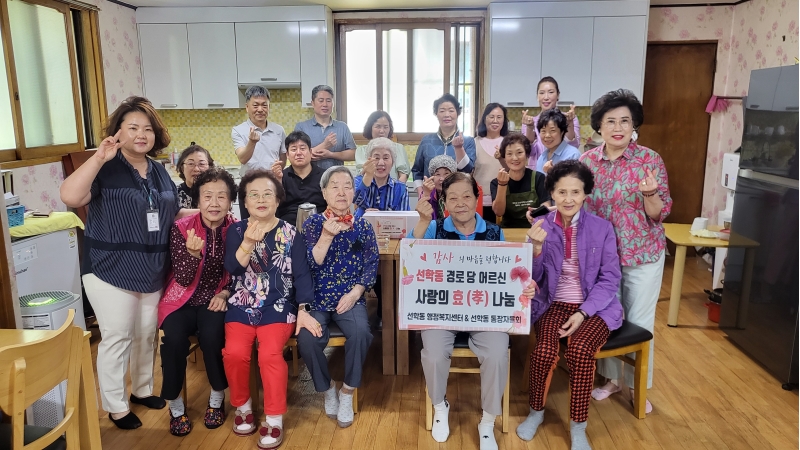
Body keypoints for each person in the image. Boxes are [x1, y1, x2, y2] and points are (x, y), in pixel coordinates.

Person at [60, 96, 184, 429]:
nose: (141, 135)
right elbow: (71, 197)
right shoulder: (105, 167)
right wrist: (99, 157)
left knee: (146, 334)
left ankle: (141, 390)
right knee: (117, 336)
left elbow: (171, 213)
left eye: (148, 129)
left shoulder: (158, 171)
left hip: (151, 267)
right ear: (118, 132)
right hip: (109, 267)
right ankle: (115, 405)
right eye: (132, 128)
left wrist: (209, 215)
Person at [410, 172, 525, 450]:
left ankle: (487, 421)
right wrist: (423, 221)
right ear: (445, 203)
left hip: (483, 313)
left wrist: (523, 286)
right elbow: (411, 257)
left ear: (477, 198)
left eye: (467, 196)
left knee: (498, 353)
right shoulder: (435, 227)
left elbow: (508, 275)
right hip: (441, 312)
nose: (460, 203)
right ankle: (440, 405)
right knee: (434, 353)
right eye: (453, 197)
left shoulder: (495, 232)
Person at [516, 160, 622, 450]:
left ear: (586, 194)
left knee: (580, 350)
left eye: (575, 192)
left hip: (595, 307)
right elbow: (534, 279)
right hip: (553, 303)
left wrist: (583, 312)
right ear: (552, 193)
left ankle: (578, 427)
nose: (568, 199)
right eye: (561, 192)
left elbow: (611, 279)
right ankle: (536, 413)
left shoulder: (602, 228)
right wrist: (535, 250)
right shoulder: (540, 226)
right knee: (544, 351)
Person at [580, 89, 672, 414]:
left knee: (639, 320)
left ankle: (637, 386)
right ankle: (612, 379)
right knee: (608, 318)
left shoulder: (649, 160)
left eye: (625, 120)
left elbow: (659, 213)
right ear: (599, 127)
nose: (618, 127)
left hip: (643, 254)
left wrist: (649, 194)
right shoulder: (587, 162)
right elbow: (578, 206)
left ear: (633, 125)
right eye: (610, 121)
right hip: (602, 258)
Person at [222, 170, 315, 450]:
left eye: (267, 194)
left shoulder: (290, 234)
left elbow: (301, 275)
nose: (261, 199)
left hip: (278, 304)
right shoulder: (236, 231)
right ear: (245, 202)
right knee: (234, 353)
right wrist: (249, 242)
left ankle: (274, 418)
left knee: (270, 354)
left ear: (277, 201)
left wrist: (304, 308)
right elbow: (233, 268)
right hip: (242, 303)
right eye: (254, 194)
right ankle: (243, 407)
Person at [158, 167, 237, 436]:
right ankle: (175, 404)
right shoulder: (181, 228)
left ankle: (217, 397)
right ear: (197, 200)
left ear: (230, 201)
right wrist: (193, 255)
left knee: (214, 336)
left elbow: (241, 272)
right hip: (181, 299)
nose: (214, 203)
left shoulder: (236, 230)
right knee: (174, 340)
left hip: (215, 297)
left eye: (221, 197)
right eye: (207, 197)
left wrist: (225, 293)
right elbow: (181, 278)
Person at [299, 166, 378, 429]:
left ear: (354, 192)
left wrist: (356, 292)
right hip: (317, 297)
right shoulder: (312, 223)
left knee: (362, 333)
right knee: (307, 339)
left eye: (347, 186)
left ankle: (347, 391)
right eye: (335, 186)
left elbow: (371, 265)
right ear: (324, 192)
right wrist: (327, 235)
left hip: (349, 297)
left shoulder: (364, 226)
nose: (342, 191)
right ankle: (326, 388)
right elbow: (309, 264)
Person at [412, 93, 477, 197]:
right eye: (442, 111)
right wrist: (422, 192)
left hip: (457, 197)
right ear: (436, 114)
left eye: (451, 110)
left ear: (457, 113)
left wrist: (459, 148)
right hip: (430, 196)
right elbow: (417, 170)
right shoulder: (426, 140)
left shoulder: (468, 141)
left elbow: (467, 171)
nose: (447, 115)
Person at [490, 133, 550, 228]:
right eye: (509, 154)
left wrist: (534, 216)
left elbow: (546, 207)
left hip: (535, 228)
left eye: (519, 153)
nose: (515, 158)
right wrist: (502, 184)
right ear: (504, 157)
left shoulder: (539, 178)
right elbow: (498, 212)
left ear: (527, 154)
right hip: (507, 232)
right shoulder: (496, 182)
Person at [520, 76, 581, 166]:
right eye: (542, 93)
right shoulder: (530, 121)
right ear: (537, 96)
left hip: (562, 168)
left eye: (551, 92)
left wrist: (569, 123)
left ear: (558, 95)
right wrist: (530, 127)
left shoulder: (570, 118)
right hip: (537, 169)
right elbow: (529, 152)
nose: (546, 97)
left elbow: (573, 146)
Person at [294, 85, 356, 171]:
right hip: (309, 179)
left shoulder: (342, 127)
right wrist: (325, 145)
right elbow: (299, 156)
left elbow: (353, 154)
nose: (325, 104)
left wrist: (331, 154)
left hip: (336, 178)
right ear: (313, 103)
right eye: (321, 100)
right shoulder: (302, 127)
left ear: (333, 103)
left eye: (328, 100)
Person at [272, 131, 327, 226]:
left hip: (321, 226)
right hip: (287, 228)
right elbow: (274, 205)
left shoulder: (325, 175)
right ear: (287, 155)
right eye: (293, 149)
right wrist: (278, 181)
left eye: (302, 148)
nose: (298, 153)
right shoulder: (281, 176)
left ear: (310, 152)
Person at [232, 86, 287, 177]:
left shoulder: (279, 130)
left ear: (269, 107)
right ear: (247, 107)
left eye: (264, 105)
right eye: (255, 105)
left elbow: (283, 158)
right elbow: (242, 158)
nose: (260, 110)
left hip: (272, 181)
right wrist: (252, 142)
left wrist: (277, 172)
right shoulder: (238, 130)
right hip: (249, 182)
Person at [353, 137, 410, 218]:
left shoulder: (401, 188)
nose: (381, 163)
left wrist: (380, 217)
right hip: (362, 229)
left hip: (391, 230)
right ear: (369, 160)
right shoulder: (359, 181)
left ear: (393, 162)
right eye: (376, 158)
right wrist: (368, 175)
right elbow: (356, 199)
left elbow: (404, 220)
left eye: (386, 158)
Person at [472, 103, 509, 222]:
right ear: (484, 119)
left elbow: (514, 171)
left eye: (499, 117)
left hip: (503, 202)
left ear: (504, 120)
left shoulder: (509, 143)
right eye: (491, 116)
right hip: (478, 203)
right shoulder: (474, 143)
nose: (495, 121)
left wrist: (501, 158)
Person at [421, 155, 484, 221]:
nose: (442, 178)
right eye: (437, 174)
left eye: (446, 173)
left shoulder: (464, 192)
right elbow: (423, 216)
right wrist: (426, 194)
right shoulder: (429, 192)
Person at [355, 111, 411, 182]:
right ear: (370, 128)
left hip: (394, 190)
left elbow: (403, 175)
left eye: (386, 127)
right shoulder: (361, 150)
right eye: (378, 126)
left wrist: (395, 191)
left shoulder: (398, 148)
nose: (382, 131)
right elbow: (361, 176)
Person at [534, 109, 581, 174]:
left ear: (562, 132)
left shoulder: (573, 155)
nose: (547, 136)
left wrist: (552, 172)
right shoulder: (541, 158)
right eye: (543, 131)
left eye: (552, 131)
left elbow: (574, 182)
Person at [175, 144, 214, 208]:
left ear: (210, 167)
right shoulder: (174, 194)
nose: (196, 169)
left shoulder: (217, 192)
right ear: (182, 168)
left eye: (201, 164)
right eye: (191, 164)